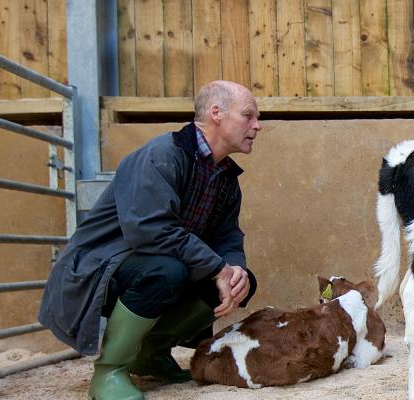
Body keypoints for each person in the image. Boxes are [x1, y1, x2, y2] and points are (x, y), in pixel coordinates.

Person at [38, 80, 261, 399]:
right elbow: (151, 232)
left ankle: (150, 353)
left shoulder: (224, 177)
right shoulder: (162, 155)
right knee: (166, 272)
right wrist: (217, 268)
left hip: (152, 263)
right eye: (248, 115)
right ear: (216, 114)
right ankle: (108, 372)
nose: (257, 125)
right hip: (98, 270)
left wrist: (234, 269)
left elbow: (227, 236)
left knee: (242, 280)